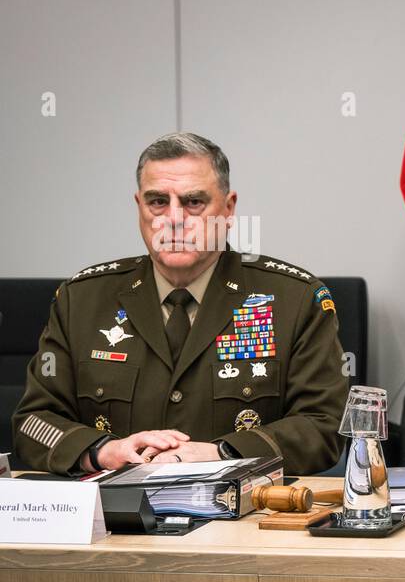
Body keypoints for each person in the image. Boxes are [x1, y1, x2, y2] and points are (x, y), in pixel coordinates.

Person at [12, 132, 349, 476]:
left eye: (193, 202)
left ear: (228, 209)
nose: (173, 218)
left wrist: (223, 453)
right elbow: (33, 422)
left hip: (244, 517)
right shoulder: (81, 300)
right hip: (114, 519)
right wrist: (103, 451)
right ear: (139, 206)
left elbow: (324, 426)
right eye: (157, 201)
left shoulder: (292, 300)